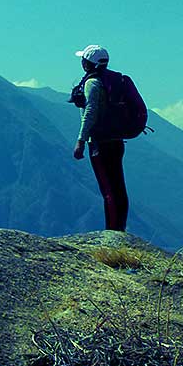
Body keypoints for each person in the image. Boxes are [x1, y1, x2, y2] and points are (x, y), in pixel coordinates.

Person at [71, 44, 128, 231]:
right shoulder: (113, 82)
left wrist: (80, 140)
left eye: (83, 60)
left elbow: (91, 111)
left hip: (99, 144)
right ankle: (119, 229)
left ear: (87, 64)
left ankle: (112, 233)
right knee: (118, 187)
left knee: (108, 191)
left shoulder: (92, 83)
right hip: (117, 140)